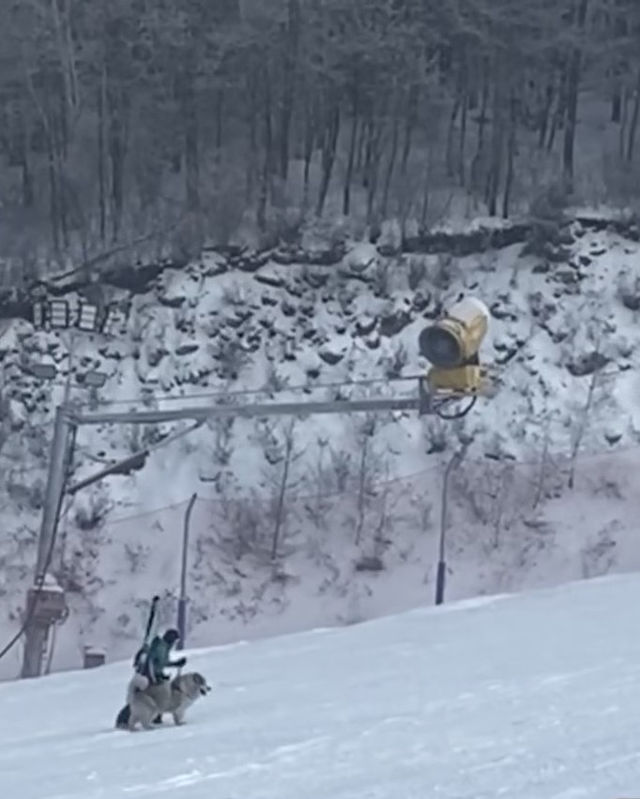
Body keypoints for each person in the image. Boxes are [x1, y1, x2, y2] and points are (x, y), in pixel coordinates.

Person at [136, 628, 187, 724]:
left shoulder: (164, 647)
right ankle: (130, 717)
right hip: (150, 676)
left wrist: (176, 663)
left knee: (159, 696)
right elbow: (152, 662)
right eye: (174, 640)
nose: (174, 643)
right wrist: (153, 677)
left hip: (154, 675)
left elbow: (162, 663)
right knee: (147, 697)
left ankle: (157, 716)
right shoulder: (160, 647)